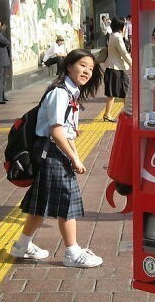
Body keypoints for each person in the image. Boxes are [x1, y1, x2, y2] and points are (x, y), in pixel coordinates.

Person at [10, 49, 105, 268]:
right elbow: (56, 131)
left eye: (90, 68)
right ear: (69, 65)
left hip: (54, 152)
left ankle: (22, 245)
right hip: (52, 153)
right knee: (67, 202)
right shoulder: (60, 93)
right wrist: (74, 158)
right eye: (82, 65)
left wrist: (74, 153)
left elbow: (66, 129)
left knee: (40, 204)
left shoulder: (71, 92)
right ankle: (72, 252)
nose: (87, 71)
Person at [102, 16, 132, 122]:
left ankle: (129, 112)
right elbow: (123, 53)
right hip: (115, 68)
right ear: (121, 26)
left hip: (116, 68)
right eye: (124, 25)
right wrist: (133, 64)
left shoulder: (113, 36)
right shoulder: (117, 37)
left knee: (124, 90)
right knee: (113, 93)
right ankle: (107, 114)